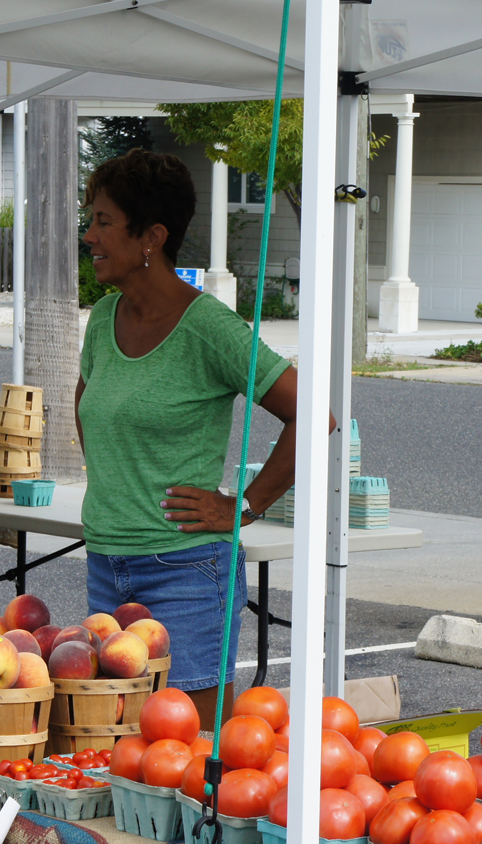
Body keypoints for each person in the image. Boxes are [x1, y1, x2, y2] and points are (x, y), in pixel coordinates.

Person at [76, 148, 321, 733]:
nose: (88, 235)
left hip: (185, 571)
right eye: (91, 220)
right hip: (105, 563)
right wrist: (120, 489)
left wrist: (244, 505)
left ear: (151, 237)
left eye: (103, 221)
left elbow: (315, 416)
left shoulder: (208, 327)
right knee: (116, 742)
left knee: (190, 754)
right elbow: (89, 409)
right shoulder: (103, 320)